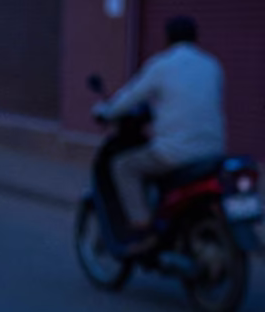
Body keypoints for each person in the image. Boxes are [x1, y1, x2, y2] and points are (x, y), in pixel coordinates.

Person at [93, 15, 225, 243]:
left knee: (123, 166)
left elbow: (129, 97)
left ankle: (142, 226)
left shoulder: (161, 66)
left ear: (167, 39)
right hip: (214, 152)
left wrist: (105, 111)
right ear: (196, 38)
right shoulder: (212, 65)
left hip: (175, 154)